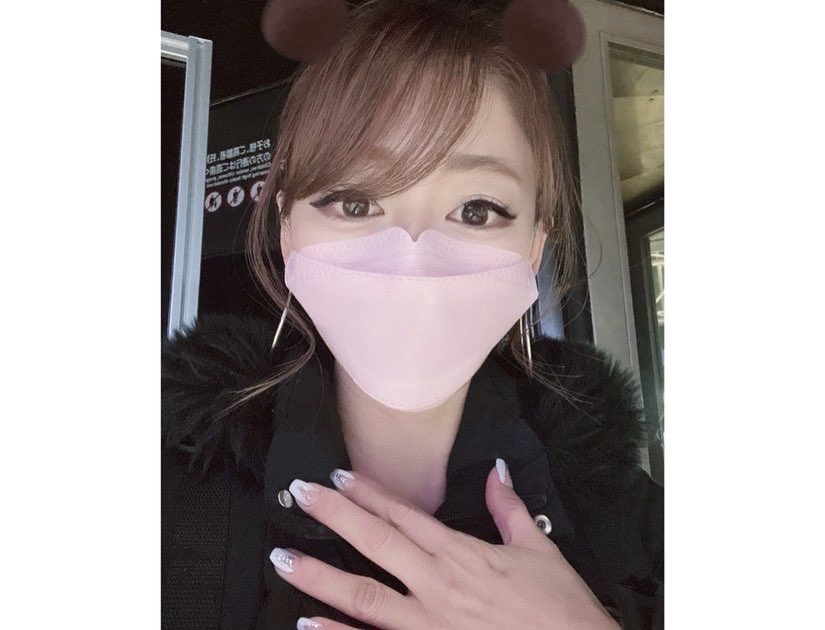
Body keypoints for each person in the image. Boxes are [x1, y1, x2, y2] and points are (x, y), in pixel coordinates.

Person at [162, 1, 664, 629]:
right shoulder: (165, 500)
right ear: (288, 230)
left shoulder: (632, 520)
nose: (412, 258)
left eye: (476, 210)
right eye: (354, 203)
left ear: (534, 246)